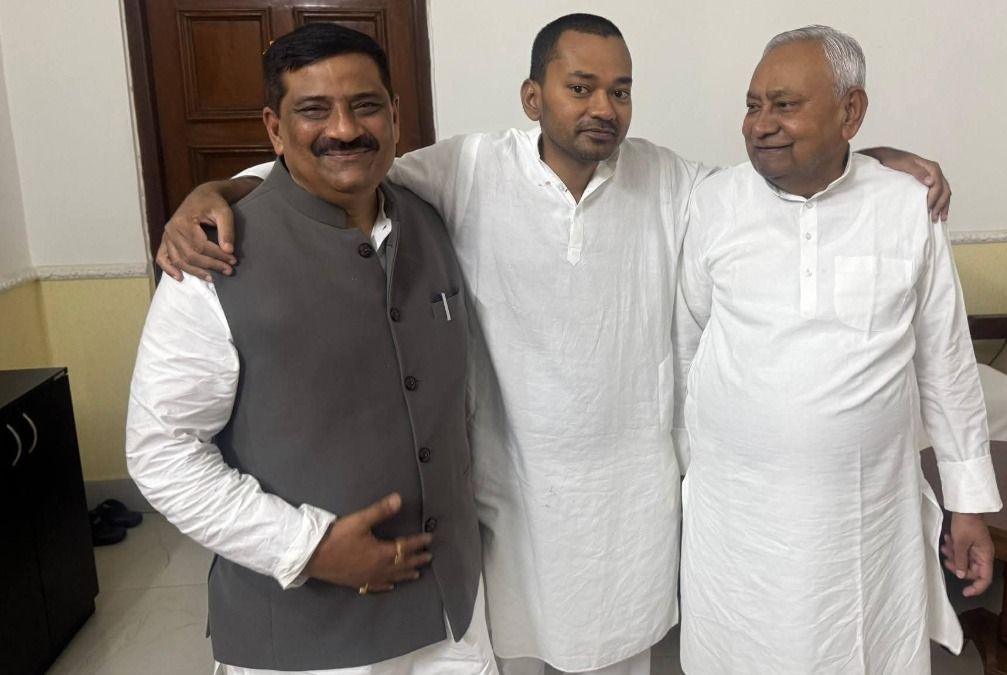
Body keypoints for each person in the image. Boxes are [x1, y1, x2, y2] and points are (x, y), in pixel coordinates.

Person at [155, 14, 954, 675]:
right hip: (514, 494)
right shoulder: (468, 169)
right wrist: (219, 190)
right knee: (515, 646)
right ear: (533, 97)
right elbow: (345, 166)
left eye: (620, 90)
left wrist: (866, 163)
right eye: (580, 87)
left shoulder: (670, 180)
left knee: (622, 651)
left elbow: (771, 181)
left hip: (630, 498)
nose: (603, 107)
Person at [125, 24, 496, 674]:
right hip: (307, 637)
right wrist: (308, 546)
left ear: (395, 114)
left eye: (365, 105)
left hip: (451, 619)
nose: (345, 129)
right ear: (274, 128)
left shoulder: (433, 219)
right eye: (314, 110)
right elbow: (161, 451)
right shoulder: (213, 259)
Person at [676, 25, 1001, 674]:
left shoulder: (908, 207)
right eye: (752, 105)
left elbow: (945, 362)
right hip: (736, 516)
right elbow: (690, 336)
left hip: (862, 519)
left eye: (785, 105)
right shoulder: (713, 202)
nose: (760, 125)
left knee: (857, 650)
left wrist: (968, 504)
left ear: (851, 112)